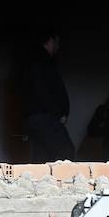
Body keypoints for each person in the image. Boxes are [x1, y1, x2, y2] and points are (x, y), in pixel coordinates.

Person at [24, 31, 75, 163]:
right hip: (44, 117)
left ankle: (41, 182)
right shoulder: (40, 61)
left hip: (39, 117)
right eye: (56, 42)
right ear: (49, 41)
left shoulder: (39, 61)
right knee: (65, 151)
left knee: (42, 158)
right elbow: (41, 91)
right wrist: (58, 113)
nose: (58, 47)